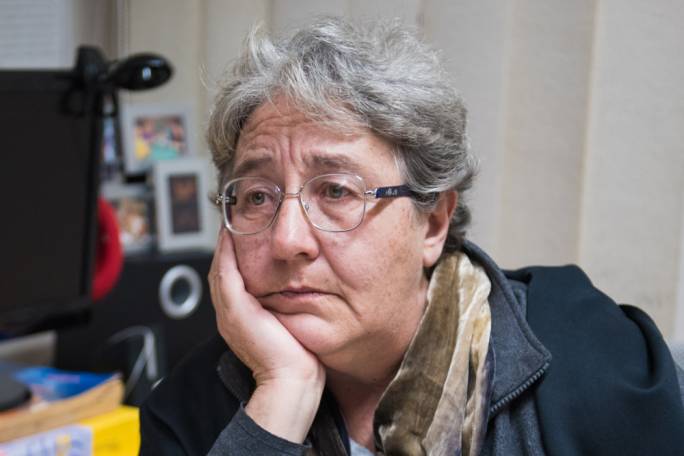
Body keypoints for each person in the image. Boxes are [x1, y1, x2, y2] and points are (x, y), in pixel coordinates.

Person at [139, 17, 684, 456]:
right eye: (257, 196)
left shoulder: (594, 362)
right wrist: (281, 395)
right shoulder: (187, 411)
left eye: (337, 191)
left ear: (435, 222)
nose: (287, 240)